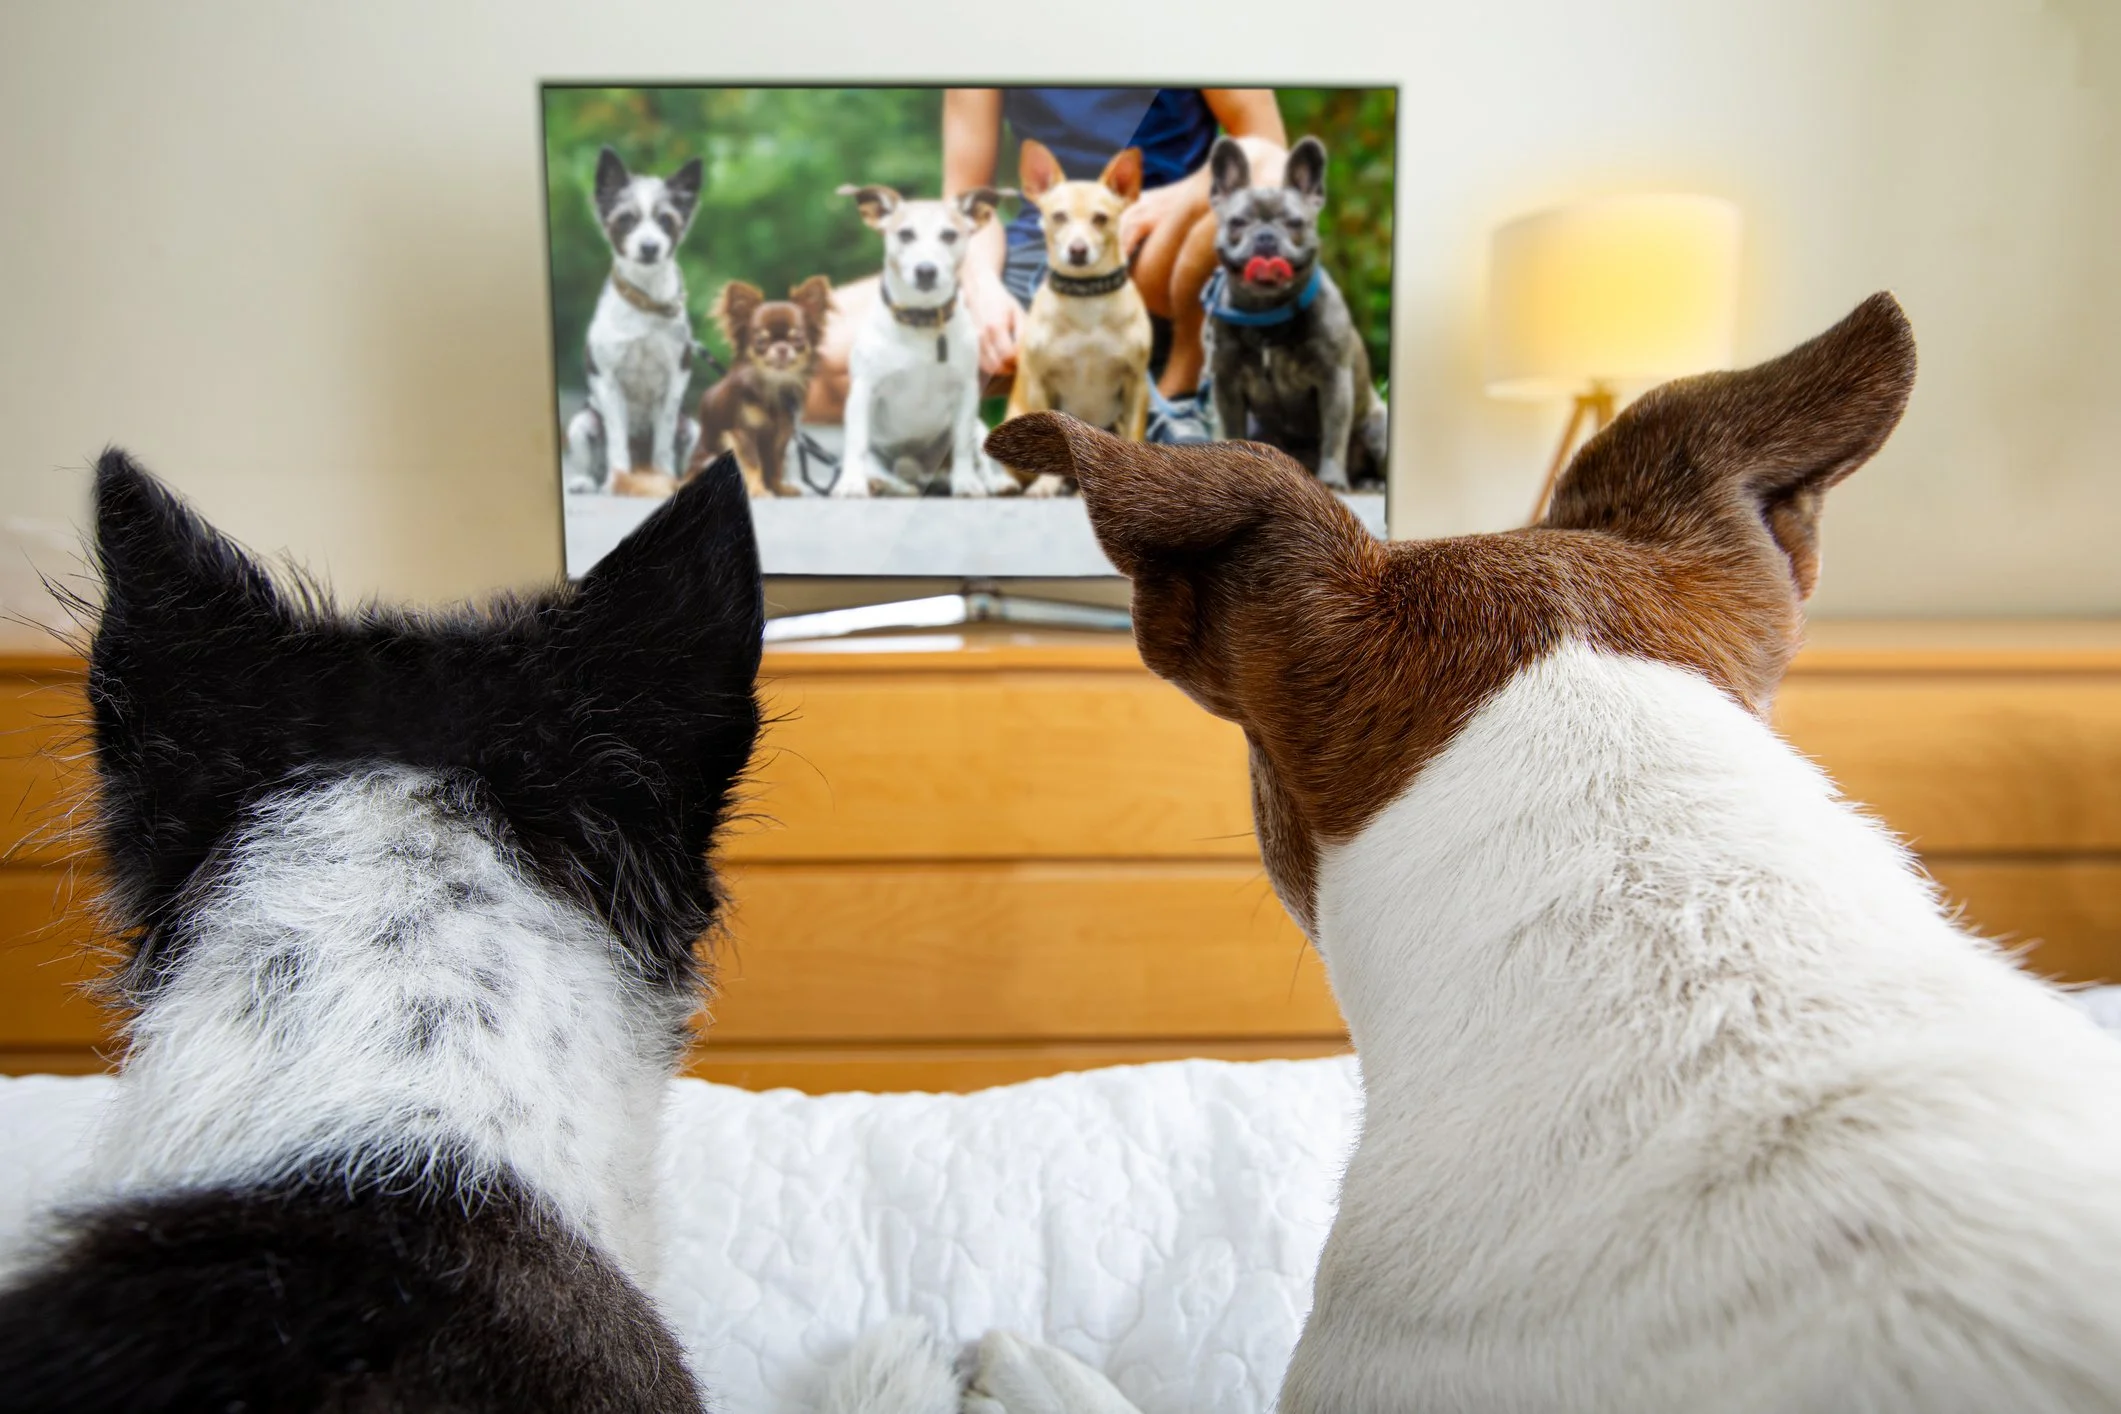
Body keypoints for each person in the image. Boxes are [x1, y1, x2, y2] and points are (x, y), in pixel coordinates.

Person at [808, 88, 1287, 443]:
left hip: (1157, 247)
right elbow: (969, 197)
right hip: (1040, 251)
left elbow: (1272, 153)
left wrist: (1165, 203)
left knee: (1259, 164)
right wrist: (982, 287)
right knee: (816, 356)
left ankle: (1178, 397)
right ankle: (997, 435)